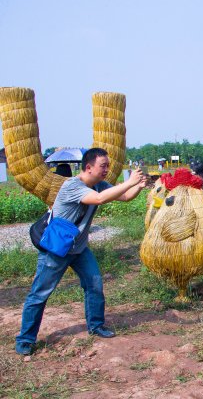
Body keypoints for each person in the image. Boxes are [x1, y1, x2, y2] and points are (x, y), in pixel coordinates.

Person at [15, 148, 147, 356]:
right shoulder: (72, 186)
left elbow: (126, 196)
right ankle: (25, 339)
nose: (107, 170)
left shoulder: (99, 185)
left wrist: (138, 186)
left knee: (94, 284)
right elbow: (99, 199)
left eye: (107, 166)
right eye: (103, 166)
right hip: (57, 250)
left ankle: (96, 325)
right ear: (88, 167)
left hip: (79, 248)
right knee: (40, 293)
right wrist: (129, 182)